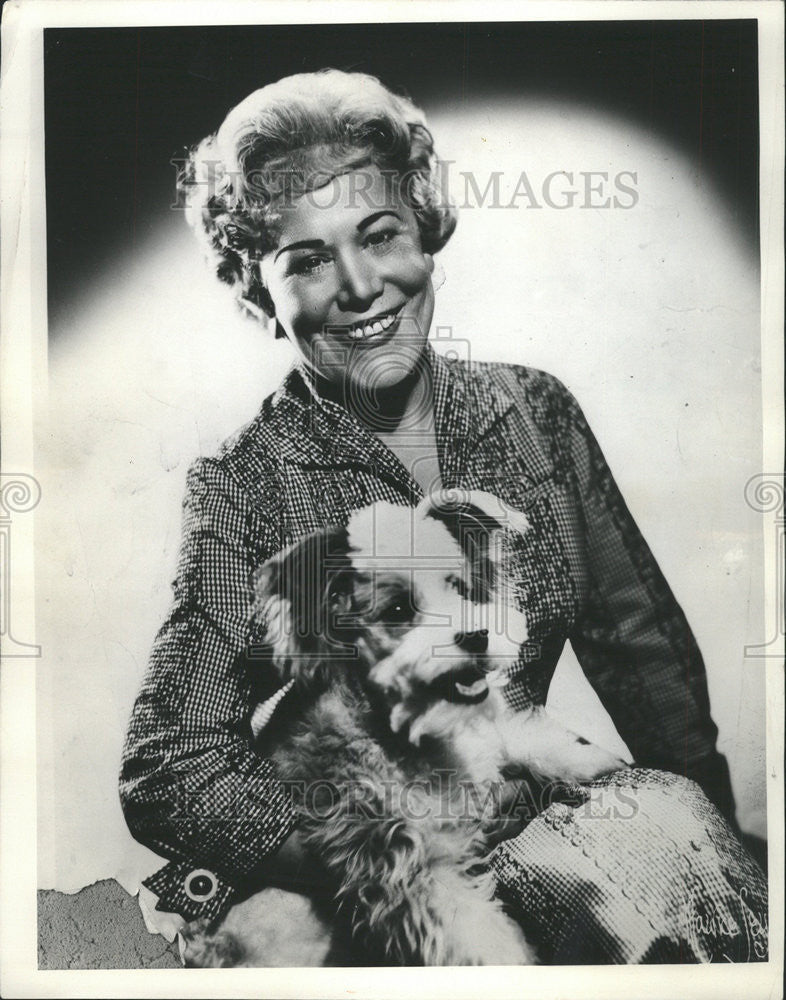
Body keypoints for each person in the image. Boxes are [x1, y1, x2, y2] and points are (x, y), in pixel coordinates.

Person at [119, 69, 766, 962]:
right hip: (376, 877)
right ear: (255, 291)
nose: (358, 285)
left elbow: (639, 646)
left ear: (425, 233)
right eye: (305, 259)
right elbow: (168, 764)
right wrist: (388, 859)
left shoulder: (532, 410)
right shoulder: (247, 482)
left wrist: (710, 840)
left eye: (378, 234)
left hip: (531, 814)